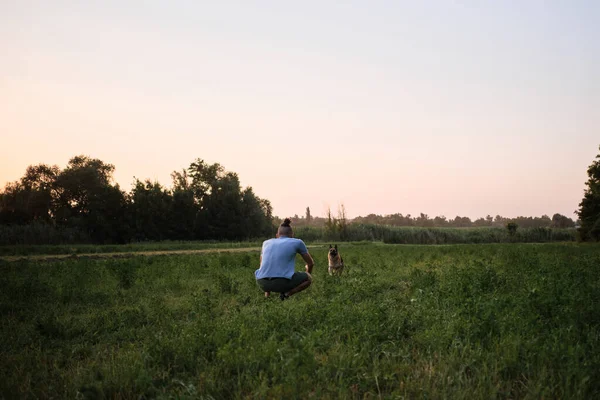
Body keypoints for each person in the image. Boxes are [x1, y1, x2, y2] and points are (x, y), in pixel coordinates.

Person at [255, 218, 314, 300]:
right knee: (309, 279)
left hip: (262, 282)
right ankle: (286, 294)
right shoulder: (298, 242)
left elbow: (262, 265)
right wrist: (308, 274)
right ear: (292, 235)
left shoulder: (265, 243)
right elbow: (310, 263)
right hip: (281, 283)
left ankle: (267, 297)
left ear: (277, 235)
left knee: (267, 270)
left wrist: (267, 287)